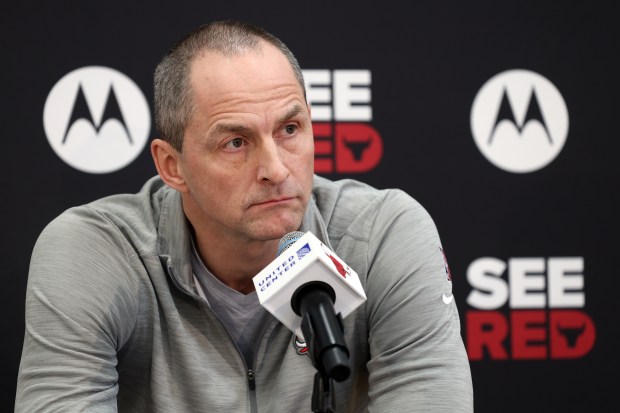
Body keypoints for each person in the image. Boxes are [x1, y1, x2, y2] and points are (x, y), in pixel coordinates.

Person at [15, 20, 473, 412]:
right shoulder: (97, 251)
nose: (276, 170)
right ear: (172, 166)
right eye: (236, 142)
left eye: (290, 129)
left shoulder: (381, 235)